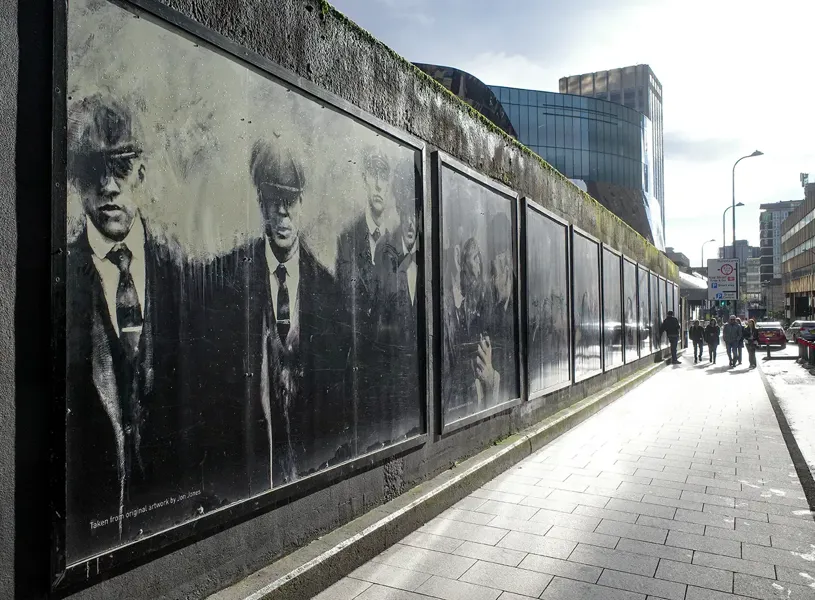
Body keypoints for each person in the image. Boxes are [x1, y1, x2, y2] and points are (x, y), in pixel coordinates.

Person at [65, 95, 194, 558]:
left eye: (120, 168)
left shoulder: (183, 275)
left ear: (141, 173)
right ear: (75, 182)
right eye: (91, 172)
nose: (108, 187)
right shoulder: (62, 278)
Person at [207, 139, 352, 488]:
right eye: (274, 202)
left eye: (291, 202)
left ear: (303, 203)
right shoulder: (227, 279)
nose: (283, 213)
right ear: (261, 202)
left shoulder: (330, 291)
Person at [336, 147, 391, 452]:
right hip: (357, 374)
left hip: (387, 375)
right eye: (373, 175)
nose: (379, 184)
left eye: (384, 176)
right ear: (364, 181)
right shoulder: (347, 238)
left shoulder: (395, 245)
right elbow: (347, 304)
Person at [373, 170, 422, 444]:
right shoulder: (385, 252)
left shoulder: (424, 260)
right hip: (392, 365)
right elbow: (382, 311)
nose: (411, 224)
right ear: (400, 215)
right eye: (407, 216)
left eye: (416, 216)